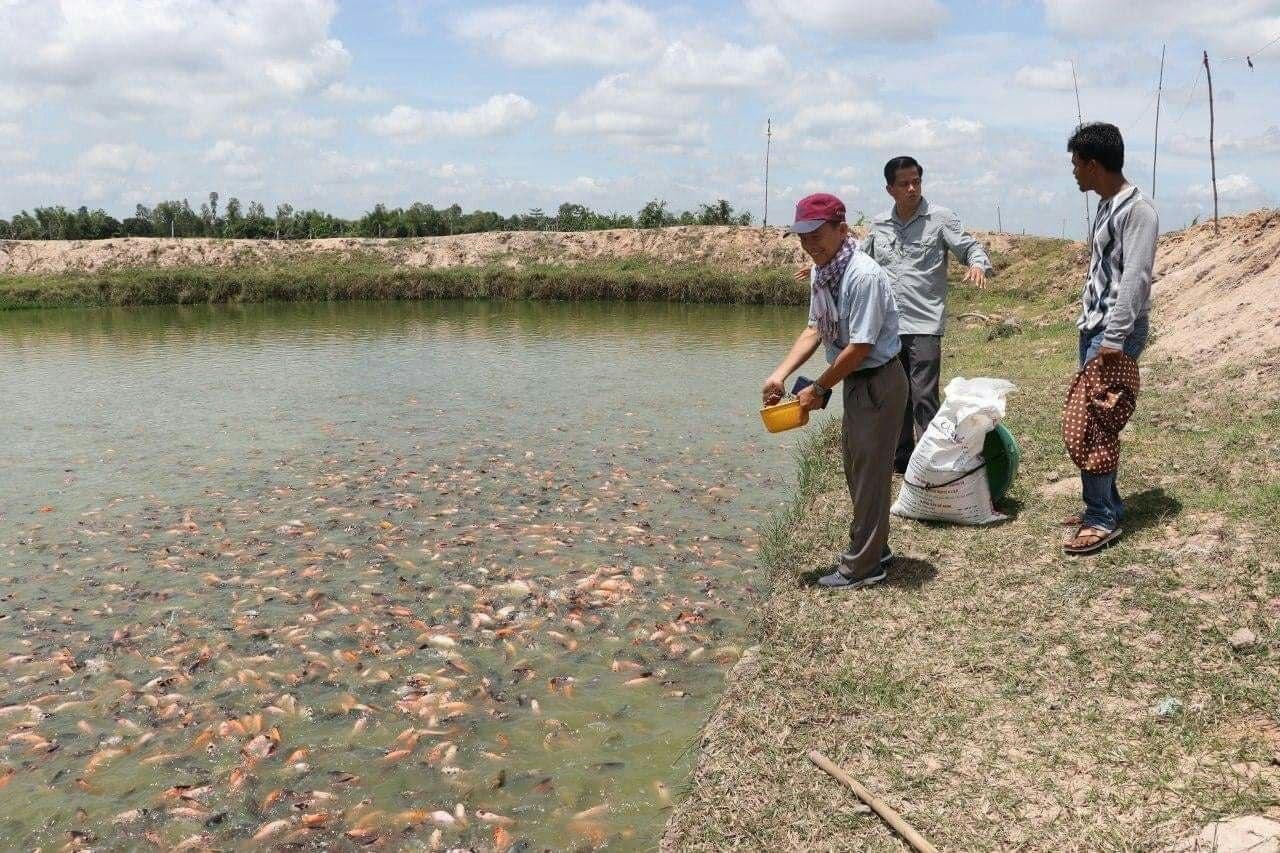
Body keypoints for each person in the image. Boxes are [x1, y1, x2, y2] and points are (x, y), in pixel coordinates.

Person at [762, 193, 908, 589]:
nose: (810, 245)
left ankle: (863, 567)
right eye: (803, 237)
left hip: (877, 381)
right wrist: (781, 373)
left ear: (842, 230)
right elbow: (814, 329)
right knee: (857, 467)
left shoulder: (863, 275)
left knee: (870, 474)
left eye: (817, 234)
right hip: (858, 382)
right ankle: (875, 548)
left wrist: (819, 387)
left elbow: (860, 348)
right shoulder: (822, 272)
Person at [859, 156, 993, 474]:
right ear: (889, 188)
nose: (912, 188)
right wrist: (824, 268)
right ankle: (902, 458)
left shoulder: (940, 218)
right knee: (897, 394)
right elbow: (858, 261)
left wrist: (977, 264)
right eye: (904, 183)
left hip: (924, 323)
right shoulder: (879, 225)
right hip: (888, 326)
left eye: (916, 181)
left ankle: (931, 460)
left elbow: (970, 247)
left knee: (923, 393)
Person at [1061, 122, 1158, 555]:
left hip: (1113, 331)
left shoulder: (1138, 210)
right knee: (1099, 417)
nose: (1074, 172)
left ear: (1094, 164)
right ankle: (1108, 504)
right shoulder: (1106, 204)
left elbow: (1135, 279)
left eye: (1076, 164)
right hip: (1095, 325)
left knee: (1096, 422)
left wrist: (1112, 340)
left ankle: (1100, 516)